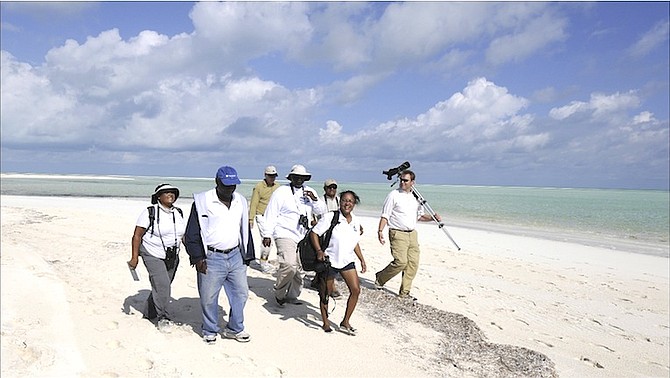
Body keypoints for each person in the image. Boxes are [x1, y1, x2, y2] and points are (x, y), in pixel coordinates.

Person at [183, 166, 255, 344]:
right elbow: (192, 232)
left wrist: (248, 254)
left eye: (233, 185)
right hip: (211, 257)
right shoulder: (202, 201)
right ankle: (209, 329)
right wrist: (198, 257)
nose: (230, 189)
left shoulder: (240, 201)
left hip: (236, 255)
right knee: (208, 297)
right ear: (217, 182)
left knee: (241, 293)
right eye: (226, 185)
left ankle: (235, 328)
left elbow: (244, 229)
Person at [261, 164, 326, 307]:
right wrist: (267, 234)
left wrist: (314, 199)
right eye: (296, 177)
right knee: (289, 265)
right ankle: (279, 293)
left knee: (300, 269)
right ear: (291, 177)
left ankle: (292, 296)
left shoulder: (309, 191)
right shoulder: (281, 192)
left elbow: (322, 210)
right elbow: (271, 213)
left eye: (302, 177)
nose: (299, 180)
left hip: (303, 235)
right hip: (284, 232)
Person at [375, 169, 440, 301]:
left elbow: (420, 216)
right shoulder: (393, 195)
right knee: (400, 262)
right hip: (397, 232)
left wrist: (433, 218)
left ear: (412, 182)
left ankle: (404, 292)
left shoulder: (416, 197)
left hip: (412, 234)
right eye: (401, 180)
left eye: (406, 180)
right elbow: (385, 215)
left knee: (413, 263)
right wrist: (380, 231)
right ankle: (380, 278)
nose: (402, 182)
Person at [129, 183, 186, 332]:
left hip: (172, 255)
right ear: (158, 196)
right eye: (166, 192)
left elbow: (183, 235)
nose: (170, 194)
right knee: (163, 285)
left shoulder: (178, 212)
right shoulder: (150, 212)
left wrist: (195, 254)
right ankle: (163, 318)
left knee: (161, 286)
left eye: (173, 192)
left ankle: (149, 312)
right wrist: (134, 257)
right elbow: (137, 235)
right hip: (152, 253)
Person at [310, 190, 366, 334]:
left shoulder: (355, 221)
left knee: (355, 290)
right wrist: (319, 251)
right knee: (325, 293)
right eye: (344, 200)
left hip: (347, 261)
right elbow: (314, 233)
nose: (347, 203)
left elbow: (354, 243)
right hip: (330, 261)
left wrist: (362, 259)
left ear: (354, 204)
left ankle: (345, 321)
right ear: (340, 202)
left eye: (350, 201)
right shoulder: (330, 217)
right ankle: (325, 322)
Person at [249, 165, 280, 273]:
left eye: (274, 176)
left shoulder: (278, 187)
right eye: (270, 176)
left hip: (275, 216)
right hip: (261, 215)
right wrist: (251, 218)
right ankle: (263, 264)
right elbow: (254, 203)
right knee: (267, 240)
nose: (272, 178)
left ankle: (275, 261)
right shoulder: (259, 187)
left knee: (278, 239)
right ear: (265, 175)